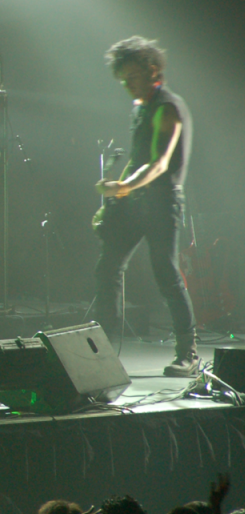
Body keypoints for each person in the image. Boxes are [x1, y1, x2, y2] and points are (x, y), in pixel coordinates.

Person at [94, 35, 197, 376]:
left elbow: (158, 163)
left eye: (133, 78)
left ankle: (188, 353)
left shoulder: (168, 107)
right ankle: (103, 352)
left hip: (162, 202)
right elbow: (137, 158)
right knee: (107, 268)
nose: (128, 86)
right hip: (135, 202)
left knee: (166, 274)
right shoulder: (140, 107)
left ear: (152, 70)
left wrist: (123, 187)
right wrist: (114, 200)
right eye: (123, 81)